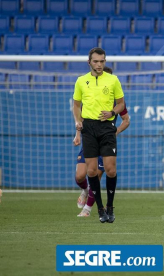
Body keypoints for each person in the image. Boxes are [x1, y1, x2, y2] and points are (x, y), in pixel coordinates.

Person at [73, 48, 125, 223]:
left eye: (102, 61)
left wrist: (111, 111)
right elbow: (76, 106)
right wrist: (78, 121)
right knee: (91, 171)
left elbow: (121, 104)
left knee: (110, 170)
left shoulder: (113, 80)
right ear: (89, 62)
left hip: (107, 127)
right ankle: (100, 209)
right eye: (96, 61)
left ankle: (110, 207)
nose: (99, 64)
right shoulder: (81, 81)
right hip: (89, 128)